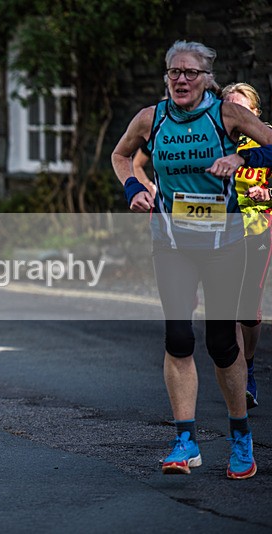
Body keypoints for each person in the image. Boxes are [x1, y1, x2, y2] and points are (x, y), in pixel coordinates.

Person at [112, 40, 272, 480]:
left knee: (223, 343)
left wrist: (243, 157)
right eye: (174, 73)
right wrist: (134, 189)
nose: (181, 80)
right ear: (167, 77)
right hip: (172, 242)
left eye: (190, 73)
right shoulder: (151, 118)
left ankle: (240, 437)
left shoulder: (228, 114)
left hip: (225, 244)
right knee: (178, 338)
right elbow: (121, 156)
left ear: (207, 78)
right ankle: (185, 441)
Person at [222, 82, 272, 411]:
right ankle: (236, 376)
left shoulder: (267, 137)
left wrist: (268, 194)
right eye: (230, 110)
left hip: (259, 228)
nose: (235, 116)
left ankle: (249, 366)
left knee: (248, 309)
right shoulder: (216, 138)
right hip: (222, 229)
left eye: (242, 110)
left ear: (254, 112)